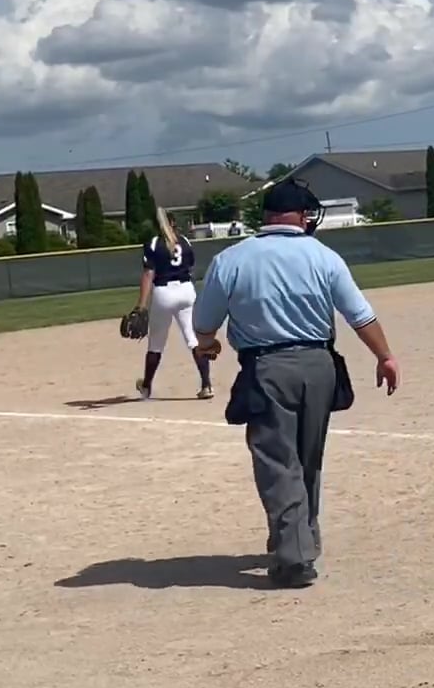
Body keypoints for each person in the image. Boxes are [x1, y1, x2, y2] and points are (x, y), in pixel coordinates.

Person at [191, 178, 400, 589]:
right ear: (301, 216)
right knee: (308, 457)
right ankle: (304, 539)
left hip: (266, 367)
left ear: (267, 216)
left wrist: (208, 344)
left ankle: (293, 557)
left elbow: (204, 324)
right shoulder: (323, 256)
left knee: (277, 460)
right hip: (320, 364)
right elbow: (360, 315)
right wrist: (385, 356)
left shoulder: (232, 259)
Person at [132, 207, 214, 401]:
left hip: (164, 293)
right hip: (186, 290)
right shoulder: (184, 241)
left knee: (156, 343)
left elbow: (148, 274)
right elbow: (191, 269)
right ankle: (206, 385)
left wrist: (141, 305)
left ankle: (146, 387)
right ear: (174, 223)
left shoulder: (154, 243)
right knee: (193, 339)